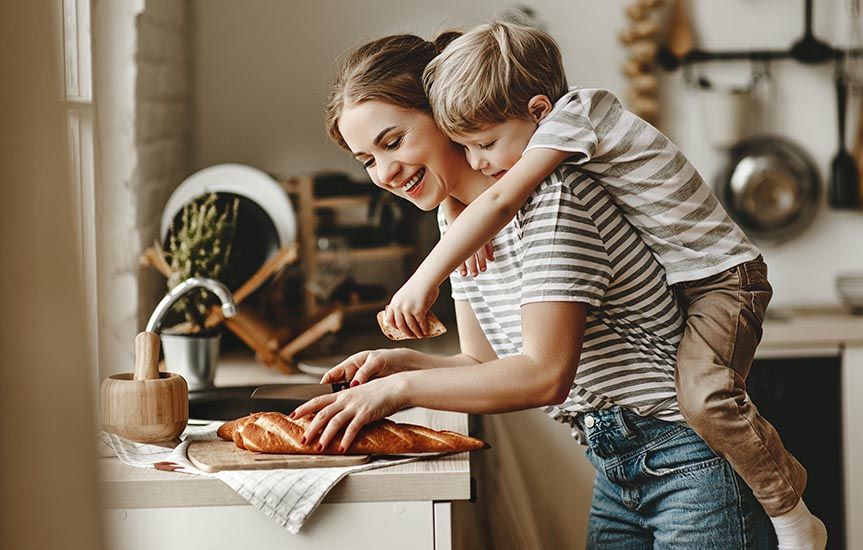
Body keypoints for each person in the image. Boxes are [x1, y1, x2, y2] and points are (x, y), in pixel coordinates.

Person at [292, 31, 776, 548]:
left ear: (444, 112)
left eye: (393, 142)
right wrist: (398, 364)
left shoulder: (553, 197)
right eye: (367, 159)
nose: (384, 173)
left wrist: (396, 392)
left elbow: (545, 375)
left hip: (689, 462)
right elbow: (482, 361)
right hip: (617, 468)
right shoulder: (456, 225)